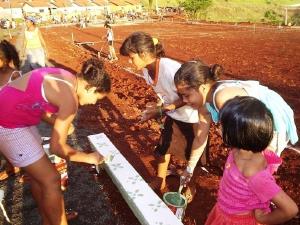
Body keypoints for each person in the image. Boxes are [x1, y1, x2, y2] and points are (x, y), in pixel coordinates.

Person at [0, 58, 111, 225]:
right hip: (7, 123)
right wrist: (90, 158)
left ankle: (48, 220)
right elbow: (57, 148)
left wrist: (60, 123)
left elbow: (36, 102)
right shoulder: (70, 101)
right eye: (97, 98)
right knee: (52, 179)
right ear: (92, 88)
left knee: (41, 177)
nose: (94, 103)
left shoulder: (65, 75)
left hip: (13, 114)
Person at [120, 32, 200, 200]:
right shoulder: (146, 70)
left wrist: (162, 110)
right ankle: (159, 179)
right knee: (163, 148)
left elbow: (190, 95)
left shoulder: (170, 69)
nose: (129, 61)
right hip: (173, 114)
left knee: (192, 153)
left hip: (192, 116)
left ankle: (191, 185)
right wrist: (157, 108)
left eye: (131, 57)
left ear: (143, 54)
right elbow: (164, 94)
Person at [174, 60, 298, 166]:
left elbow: (252, 131)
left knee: (257, 168)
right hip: (252, 124)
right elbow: (200, 138)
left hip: (268, 119)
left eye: (186, 95)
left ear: (202, 88)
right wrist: (189, 168)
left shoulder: (222, 99)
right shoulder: (203, 105)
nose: (184, 101)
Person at [205, 96, 298, 225]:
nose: (218, 128)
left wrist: (263, 219)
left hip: (238, 221)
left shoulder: (254, 174)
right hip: (224, 210)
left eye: (222, 125)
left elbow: (290, 209)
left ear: (238, 134)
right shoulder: (239, 150)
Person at [0, 40, 22, 180]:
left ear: (6, 59)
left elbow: (21, 101)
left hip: (14, 121)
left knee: (19, 148)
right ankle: (11, 166)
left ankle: (26, 170)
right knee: (4, 147)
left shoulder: (14, 76)